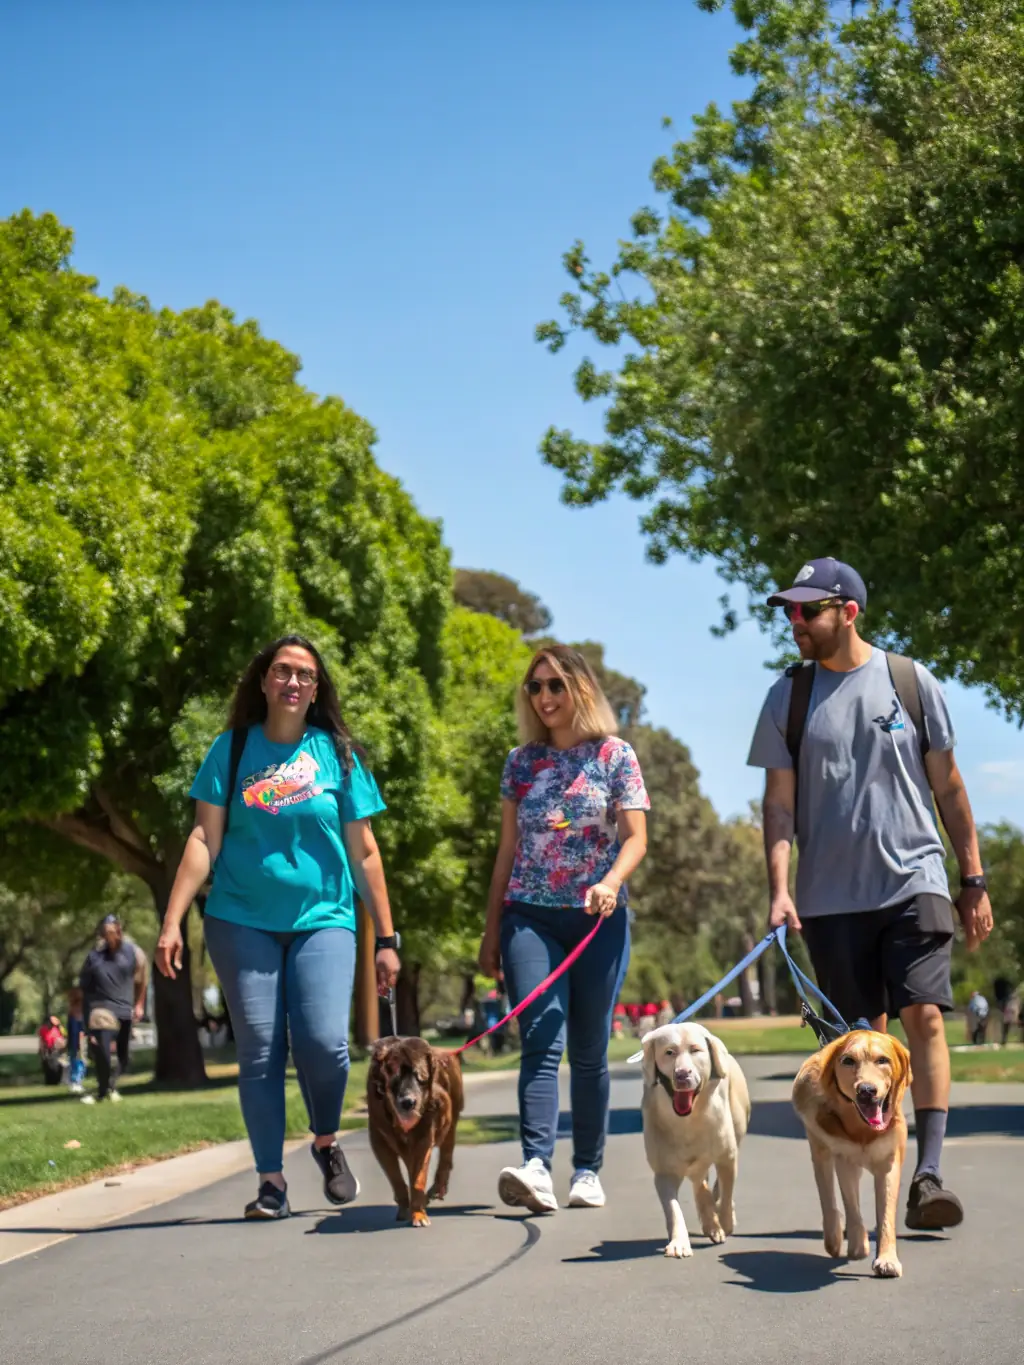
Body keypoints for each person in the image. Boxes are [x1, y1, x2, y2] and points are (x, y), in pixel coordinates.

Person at [748, 557, 994, 1232]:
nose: (794, 621)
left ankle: (929, 1172)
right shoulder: (788, 698)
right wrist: (778, 888)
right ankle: (881, 1174)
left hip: (915, 878)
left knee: (927, 1018)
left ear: (848, 611)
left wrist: (972, 877)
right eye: (789, 611)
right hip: (828, 897)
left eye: (807, 610)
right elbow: (777, 806)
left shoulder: (909, 682)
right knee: (862, 1044)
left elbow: (949, 787)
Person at [156, 635, 401, 1222]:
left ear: (317, 690)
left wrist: (388, 940)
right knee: (261, 1053)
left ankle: (324, 1138)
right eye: (283, 672)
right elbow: (202, 839)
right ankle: (271, 1181)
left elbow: (364, 853)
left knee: (323, 1043)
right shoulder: (231, 750)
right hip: (240, 920)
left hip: (324, 919)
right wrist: (171, 921)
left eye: (306, 676)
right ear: (264, 682)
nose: (294, 683)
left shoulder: (338, 756)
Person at [479, 644, 649, 1213]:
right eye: (536, 687)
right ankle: (535, 1165)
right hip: (528, 914)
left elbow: (636, 837)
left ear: (580, 689)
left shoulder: (614, 755)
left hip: (596, 919)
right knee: (540, 1035)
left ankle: (587, 1170)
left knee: (589, 1049)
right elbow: (507, 850)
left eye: (556, 685)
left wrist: (610, 881)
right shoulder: (520, 762)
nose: (545, 697)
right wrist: (491, 929)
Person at [79, 915, 148, 1104]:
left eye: (112, 931)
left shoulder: (134, 953)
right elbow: (84, 988)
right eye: (105, 932)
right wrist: (86, 1020)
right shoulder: (94, 957)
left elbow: (142, 980)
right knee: (103, 1052)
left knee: (124, 1057)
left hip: (124, 1008)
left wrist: (140, 1003)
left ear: (119, 931)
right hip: (101, 1010)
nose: (108, 936)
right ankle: (103, 1092)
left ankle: (110, 1086)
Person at [66, 987, 86, 1094]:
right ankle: (75, 1081)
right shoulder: (75, 1014)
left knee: (78, 1060)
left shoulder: (76, 1014)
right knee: (78, 1060)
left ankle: (76, 1081)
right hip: (76, 1042)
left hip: (78, 1041)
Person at [37, 1015, 66, 1085]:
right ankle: (49, 1081)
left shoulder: (58, 1030)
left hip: (56, 1050)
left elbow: (63, 1039)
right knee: (47, 1066)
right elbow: (42, 1040)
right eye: (50, 1023)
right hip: (47, 1050)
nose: (51, 1025)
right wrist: (41, 1050)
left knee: (56, 1066)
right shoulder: (43, 1029)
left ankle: (57, 1081)